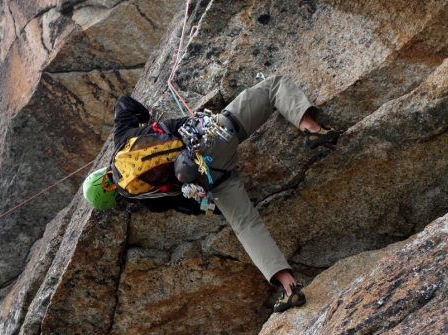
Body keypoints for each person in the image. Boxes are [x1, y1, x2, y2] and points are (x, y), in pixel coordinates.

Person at [85, 75, 342, 312]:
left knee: (245, 225)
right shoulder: (122, 138)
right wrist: (144, 121)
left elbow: (194, 206)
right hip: (212, 137)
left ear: (116, 199)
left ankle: (289, 288)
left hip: (215, 180)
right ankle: (312, 129)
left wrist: (218, 201)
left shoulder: (147, 200)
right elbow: (124, 102)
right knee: (272, 86)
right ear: (101, 174)